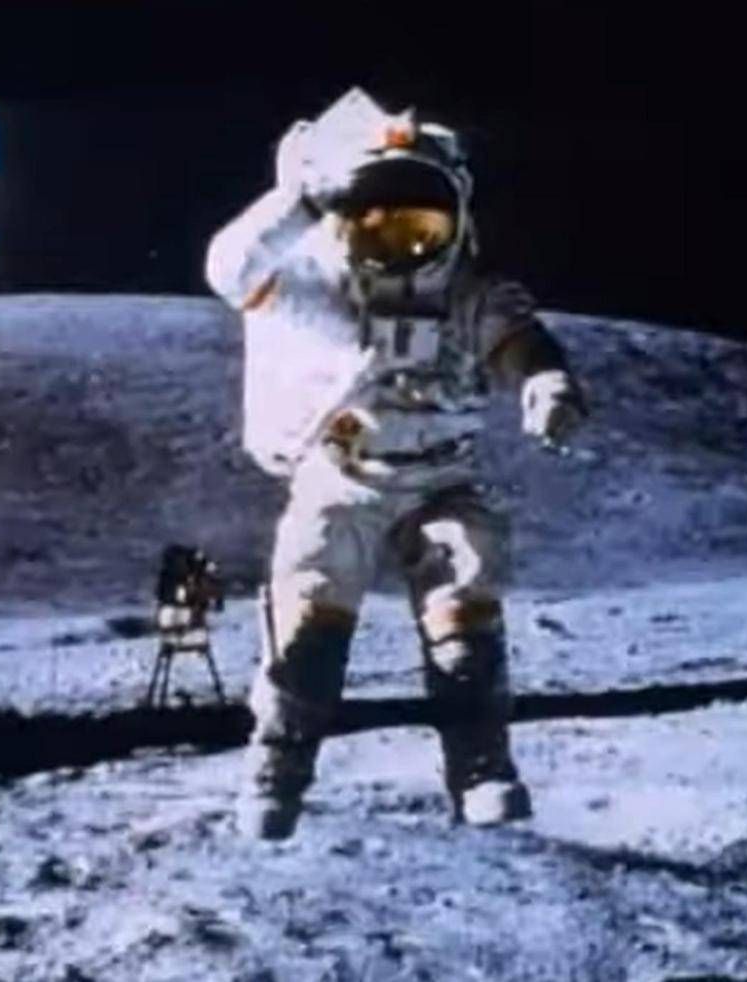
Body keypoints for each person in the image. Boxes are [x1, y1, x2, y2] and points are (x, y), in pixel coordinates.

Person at [204, 88, 587, 839]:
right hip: (340, 476)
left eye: (421, 226)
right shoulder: (310, 286)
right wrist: (301, 202)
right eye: (378, 223)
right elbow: (229, 270)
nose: (403, 244)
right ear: (343, 219)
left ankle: (481, 769)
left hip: (441, 477)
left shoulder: (468, 294)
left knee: (463, 608)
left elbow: (518, 338)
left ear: (456, 221)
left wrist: (546, 381)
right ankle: (275, 774)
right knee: (308, 624)